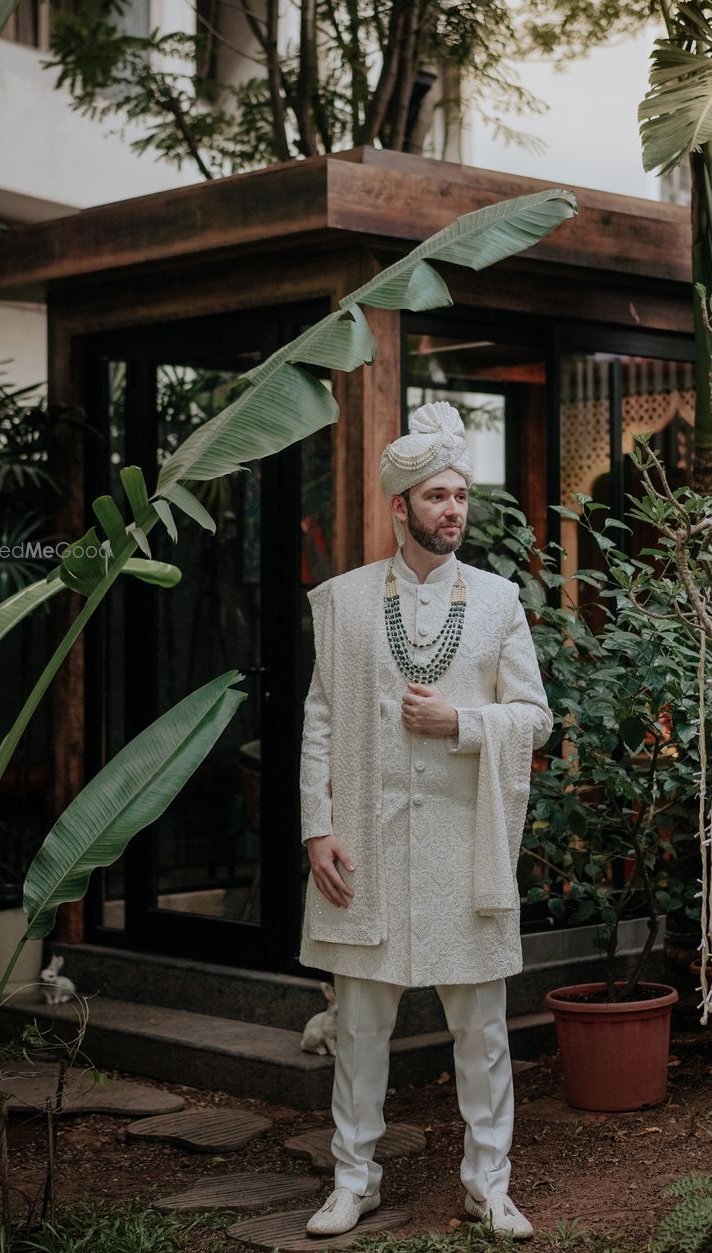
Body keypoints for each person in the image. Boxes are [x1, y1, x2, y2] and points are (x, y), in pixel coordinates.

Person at [299, 400, 553, 1240]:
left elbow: (535, 716)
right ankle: (352, 1179)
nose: (453, 509)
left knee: (481, 1027)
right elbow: (320, 718)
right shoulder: (343, 602)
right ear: (399, 506)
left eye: (461, 495)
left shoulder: (498, 601)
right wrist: (315, 827)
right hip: (366, 845)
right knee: (360, 1026)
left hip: (462, 846)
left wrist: (463, 723)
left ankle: (489, 1184)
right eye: (437, 496)